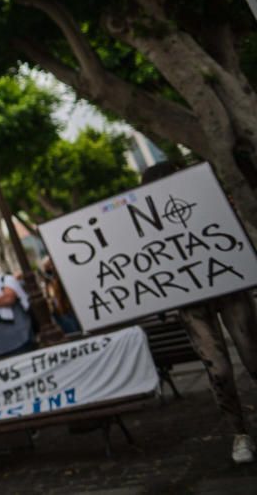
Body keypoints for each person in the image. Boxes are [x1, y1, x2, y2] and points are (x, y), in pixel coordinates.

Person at [141, 161, 257, 464]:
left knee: (252, 354)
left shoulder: (210, 203)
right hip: (191, 301)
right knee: (217, 368)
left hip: (230, 287)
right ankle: (239, 432)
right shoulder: (149, 225)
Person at [39, 257, 81, 335]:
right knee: (70, 332)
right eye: (47, 266)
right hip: (59, 310)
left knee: (75, 329)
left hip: (68, 307)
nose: (50, 267)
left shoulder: (60, 275)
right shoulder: (47, 280)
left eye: (51, 264)